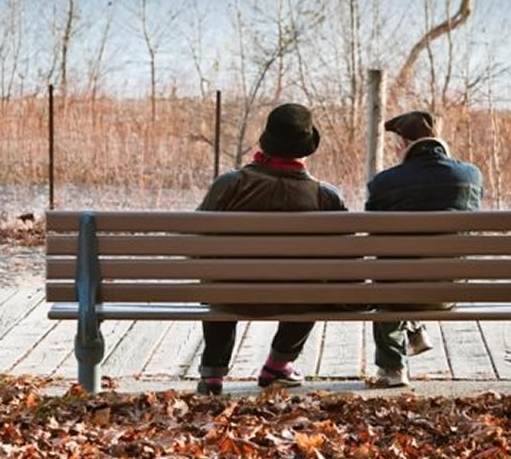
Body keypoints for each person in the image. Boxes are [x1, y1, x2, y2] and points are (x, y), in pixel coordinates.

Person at [195, 102, 347, 396]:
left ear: (266, 141)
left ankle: (212, 374)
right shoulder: (325, 196)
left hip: (231, 295)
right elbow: (345, 259)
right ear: (305, 149)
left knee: (218, 277)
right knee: (317, 286)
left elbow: (195, 238)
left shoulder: (230, 184)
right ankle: (278, 364)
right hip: (297, 300)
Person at [365, 110, 483, 387]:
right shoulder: (470, 176)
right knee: (415, 270)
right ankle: (415, 328)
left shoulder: (383, 182)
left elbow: (373, 234)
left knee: (391, 274)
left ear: (403, 144)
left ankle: (393, 368)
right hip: (450, 289)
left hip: (396, 293)